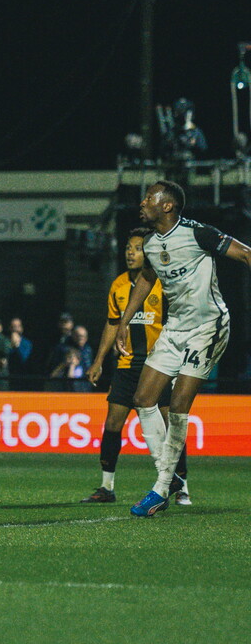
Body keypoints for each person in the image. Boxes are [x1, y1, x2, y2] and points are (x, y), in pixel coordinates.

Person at [119, 181, 251, 516]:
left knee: (178, 404)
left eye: (150, 197)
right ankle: (171, 475)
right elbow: (148, 278)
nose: (143, 201)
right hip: (174, 329)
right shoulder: (150, 242)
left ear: (168, 206)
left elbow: (246, 253)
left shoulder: (198, 234)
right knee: (143, 399)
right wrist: (124, 320)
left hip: (208, 328)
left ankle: (161, 488)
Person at [82, 228, 189, 504]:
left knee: (170, 425)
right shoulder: (118, 284)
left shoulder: (162, 285)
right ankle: (107, 487)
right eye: (128, 248)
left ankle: (182, 484)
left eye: (137, 248)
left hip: (157, 366)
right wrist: (98, 361)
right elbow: (112, 323)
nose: (130, 253)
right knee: (113, 423)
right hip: (127, 366)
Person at [7, 317, 33, 387]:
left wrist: (17, 346)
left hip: (21, 377)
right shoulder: (5, 341)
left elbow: (24, 359)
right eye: (13, 327)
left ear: (21, 328)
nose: (15, 329)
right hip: (7, 376)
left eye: (18, 326)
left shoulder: (26, 343)